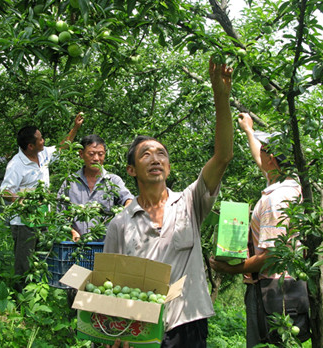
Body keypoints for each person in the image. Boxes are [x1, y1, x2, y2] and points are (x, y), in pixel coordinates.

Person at [104, 58, 234, 348]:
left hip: (187, 323)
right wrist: (117, 330)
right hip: (139, 325)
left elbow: (223, 156)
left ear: (169, 166)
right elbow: (109, 283)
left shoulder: (189, 203)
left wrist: (221, 98)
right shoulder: (120, 224)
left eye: (161, 153)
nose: (155, 158)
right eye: (146, 154)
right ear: (131, 170)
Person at [209, 112, 302, 347]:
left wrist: (233, 269)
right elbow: (260, 160)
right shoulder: (288, 185)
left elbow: (272, 255)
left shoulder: (276, 200)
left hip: (272, 291)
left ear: (271, 158)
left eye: (263, 148)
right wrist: (249, 130)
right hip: (286, 286)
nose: (258, 151)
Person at [1, 112, 84, 292]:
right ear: (30, 145)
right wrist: (23, 201)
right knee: (24, 260)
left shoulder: (43, 154)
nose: (43, 140)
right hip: (23, 220)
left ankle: (37, 290)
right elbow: (5, 191)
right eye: (40, 139)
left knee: (41, 255)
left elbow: (62, 148)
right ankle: (19, 297)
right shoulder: (16, 165)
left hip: (42, 215)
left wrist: (75, 127)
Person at [58, 134, 134, 242]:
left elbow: (128, 199)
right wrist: (71, 231)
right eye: (91, 154)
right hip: (76, 245)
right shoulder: (70, 182)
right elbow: (60, 214)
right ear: (81, 154)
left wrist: (125, 211)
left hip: (106, 246)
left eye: (100, 154)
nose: (96, 158)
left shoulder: (112, 181)